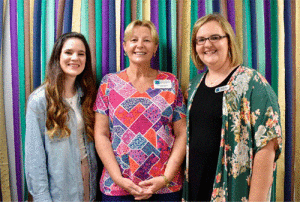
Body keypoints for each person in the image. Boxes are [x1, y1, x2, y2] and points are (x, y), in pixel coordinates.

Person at [182, 13, 282, 202]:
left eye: (215, 37)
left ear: (228, 41)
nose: (207, 44)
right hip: (196, 187)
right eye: (200, 40)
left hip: (236, 190)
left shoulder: (252, 83)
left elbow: (267, 146)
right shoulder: (194, 86)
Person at [93, 20, 187, 202]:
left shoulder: (171, 83)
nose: (140, 45)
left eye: (147, 40)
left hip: (165, 187)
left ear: (155, 47)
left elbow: (182, 134)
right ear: (125, 46)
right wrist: (119, 179)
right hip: (118, 188)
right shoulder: (109, 84)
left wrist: (165, 178)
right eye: (134, 40)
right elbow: (101, 134)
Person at [25, 32, 98, 202]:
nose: (75, 58)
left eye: (81, 54)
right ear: (57, 56)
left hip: (88, 177)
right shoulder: (39, 101)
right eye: (68, 52)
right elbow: (34, 158)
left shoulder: (87, 95)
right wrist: (42, 198)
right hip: (59, 186)